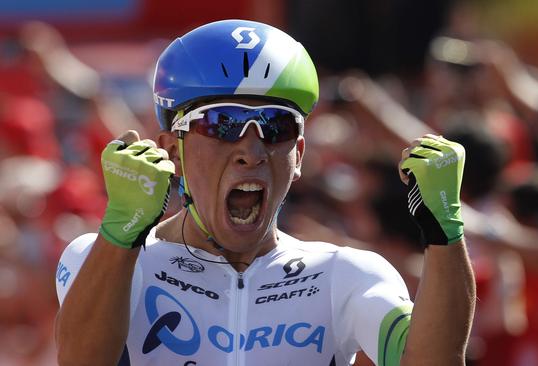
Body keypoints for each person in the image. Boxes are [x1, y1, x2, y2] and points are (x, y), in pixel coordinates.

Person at [54, 19, 475, 365]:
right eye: (220, 123)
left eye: (277, 126)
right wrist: (120, 234)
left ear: (299, 154)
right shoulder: (106, 260)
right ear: (171, 151)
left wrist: (445, 233)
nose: (251, 152)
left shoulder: (343, 276)